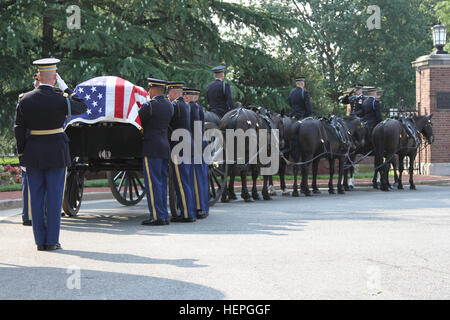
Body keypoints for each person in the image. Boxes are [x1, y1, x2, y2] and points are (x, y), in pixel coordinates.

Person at [14, 58, 87, 251]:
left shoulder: (25, 99)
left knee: (36, 198)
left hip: (33, 153)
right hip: (56, 152)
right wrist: (66, 89)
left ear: (38, 76)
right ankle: (52, 240)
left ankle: (40, 241)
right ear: (55, 78)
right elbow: (82, 106)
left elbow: (18, 130)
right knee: (54, 198)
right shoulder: (61, 99)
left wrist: (22, 155)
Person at [138, 78, 173, 226]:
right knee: (162, 182)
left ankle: (156, 217)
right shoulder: (169, 106)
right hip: (165, 147)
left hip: (151, 148)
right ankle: (163, 214)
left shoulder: (149, 106)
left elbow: (139, 121)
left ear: (152, 89)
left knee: (153, 183)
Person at [167, 81, 197, 223]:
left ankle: (186, 214)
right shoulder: (184, 105)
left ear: (174, 92)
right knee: (186, 181)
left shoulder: (175, 105)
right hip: (187, 145)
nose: (167, 95)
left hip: (178, 147)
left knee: (181, 182)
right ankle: (188, 211)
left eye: (169, 92)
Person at [183, 88, 209, 219]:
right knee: (201, 177)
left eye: (187, 95)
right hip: (199, 144)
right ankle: (203, 206)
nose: (185, 98)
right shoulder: (197, 107)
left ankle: (200, 207)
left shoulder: (193, 107)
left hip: (196, 145)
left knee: (196, 177)